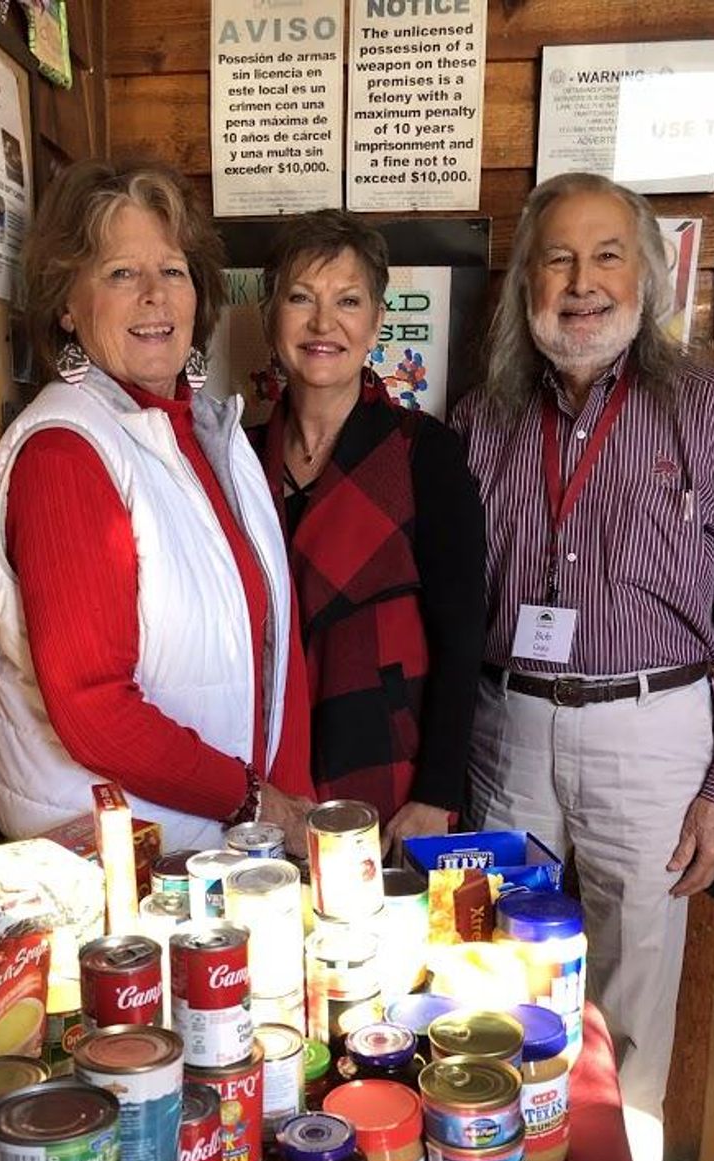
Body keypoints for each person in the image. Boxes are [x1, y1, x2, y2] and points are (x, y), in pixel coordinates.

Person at [451, 172, 714, 1161]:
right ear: (526, 286)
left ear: (648, 275)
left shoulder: (709, 412)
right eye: (557, 258)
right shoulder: (481, 421)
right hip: (505, 728)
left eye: (607, 256)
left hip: (654, 733)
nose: (583, 282)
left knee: (633, 1004)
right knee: (494, 984)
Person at [0, 161, 314, 854]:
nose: (155, 297)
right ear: (67, 303)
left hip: (217, 845)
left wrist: (287, 800)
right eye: (121, 274)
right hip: (124, 866)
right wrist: (254, 800)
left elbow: (274, 637)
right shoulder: (64, 454)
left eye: (174, 270)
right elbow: (93, 706)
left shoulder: (205, 430)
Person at [250, 210, 486, 854]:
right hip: (264, 764)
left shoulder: (423, 453)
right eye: (301, 298)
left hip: (388, 764)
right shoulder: (238, 458)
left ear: (377, 321)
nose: (324, 324)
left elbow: (463, 636)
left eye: (347, 301)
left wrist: (437, 792)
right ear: (271, 315)